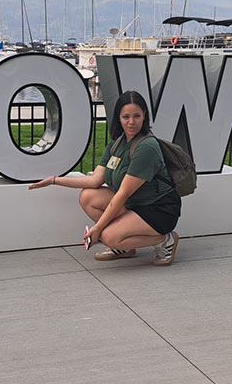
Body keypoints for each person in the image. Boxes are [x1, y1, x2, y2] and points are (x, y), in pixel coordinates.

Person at [29, 90, 181, 265]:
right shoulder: (117, 144)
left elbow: (122, 194)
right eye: (126, 117)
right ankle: (125, 246)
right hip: (136, 203)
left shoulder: (146, 147)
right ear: (118, 118)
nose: (131, 122)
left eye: (137, 116)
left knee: (107, 236)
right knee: (88, 196)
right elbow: (94, 180)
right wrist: (54, 180)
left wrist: (98, 229)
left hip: (158, 209)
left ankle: (165, 240)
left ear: (144, 116)